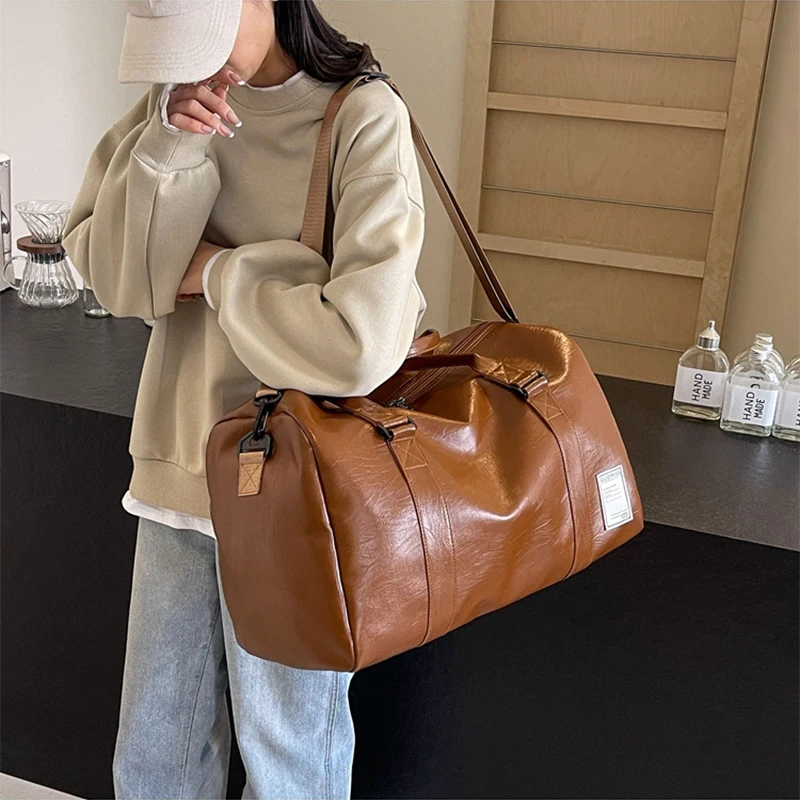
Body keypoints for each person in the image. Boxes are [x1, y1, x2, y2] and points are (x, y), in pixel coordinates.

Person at [63, 0, 427, 797]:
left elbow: (360, 344)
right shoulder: (173, 105)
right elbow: (116, 278)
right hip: (177, 467)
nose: (193, 62)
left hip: (295, 493)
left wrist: (218, 272)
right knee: (151, 763)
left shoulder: (362, 116)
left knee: (288, 763)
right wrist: (170, 144)